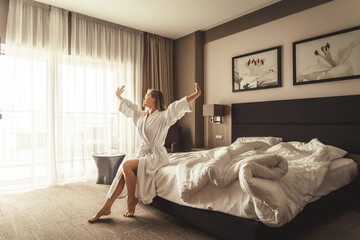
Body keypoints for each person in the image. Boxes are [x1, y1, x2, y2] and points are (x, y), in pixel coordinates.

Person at [88, 82, 201, 222]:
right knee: (122, 173)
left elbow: (177, 106)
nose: (143, 98)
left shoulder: (164, 116)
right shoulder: (141, 116)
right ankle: (106, 206)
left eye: (146, 95)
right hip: (142, 153)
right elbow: (130, 107)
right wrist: (118, 96)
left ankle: (131, 200)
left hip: (156, 155)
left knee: (126, 165)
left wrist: (196, 94)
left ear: (154, 98)